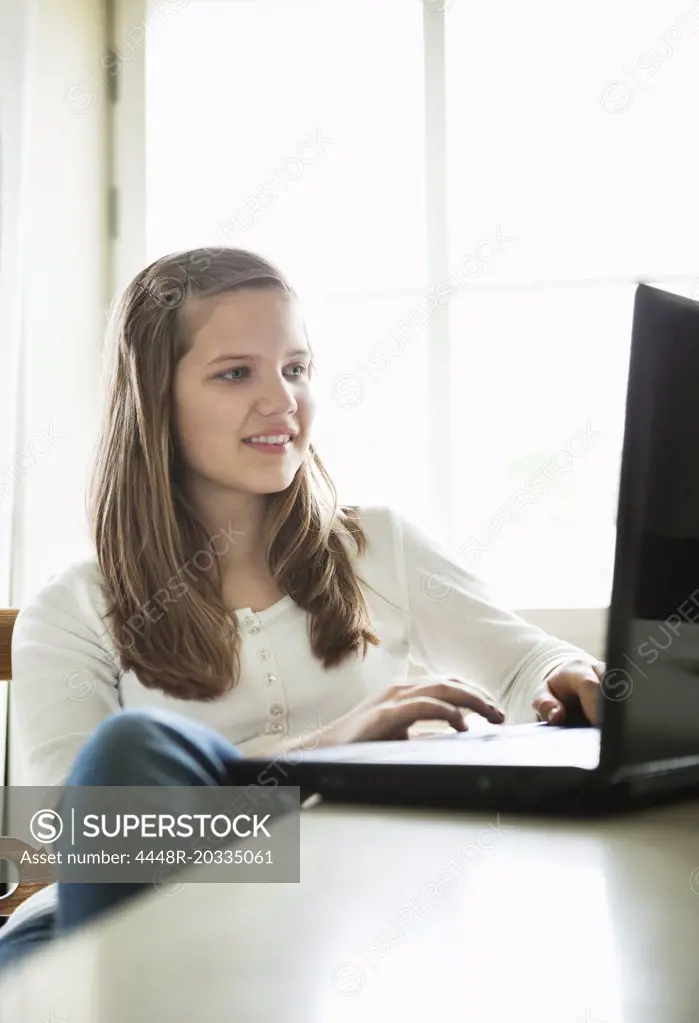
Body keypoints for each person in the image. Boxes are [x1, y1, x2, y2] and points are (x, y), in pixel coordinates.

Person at [0, 247, 603, 974]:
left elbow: (526, 663)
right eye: (235, 373)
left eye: (296, 368)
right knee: (133, 749)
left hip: (339, 911)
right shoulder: (71, 608)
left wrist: (572, 672)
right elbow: (90, 837)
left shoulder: (378, 546)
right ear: (155, 397)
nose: (282, 400)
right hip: (110, 931)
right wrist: (327, 754)